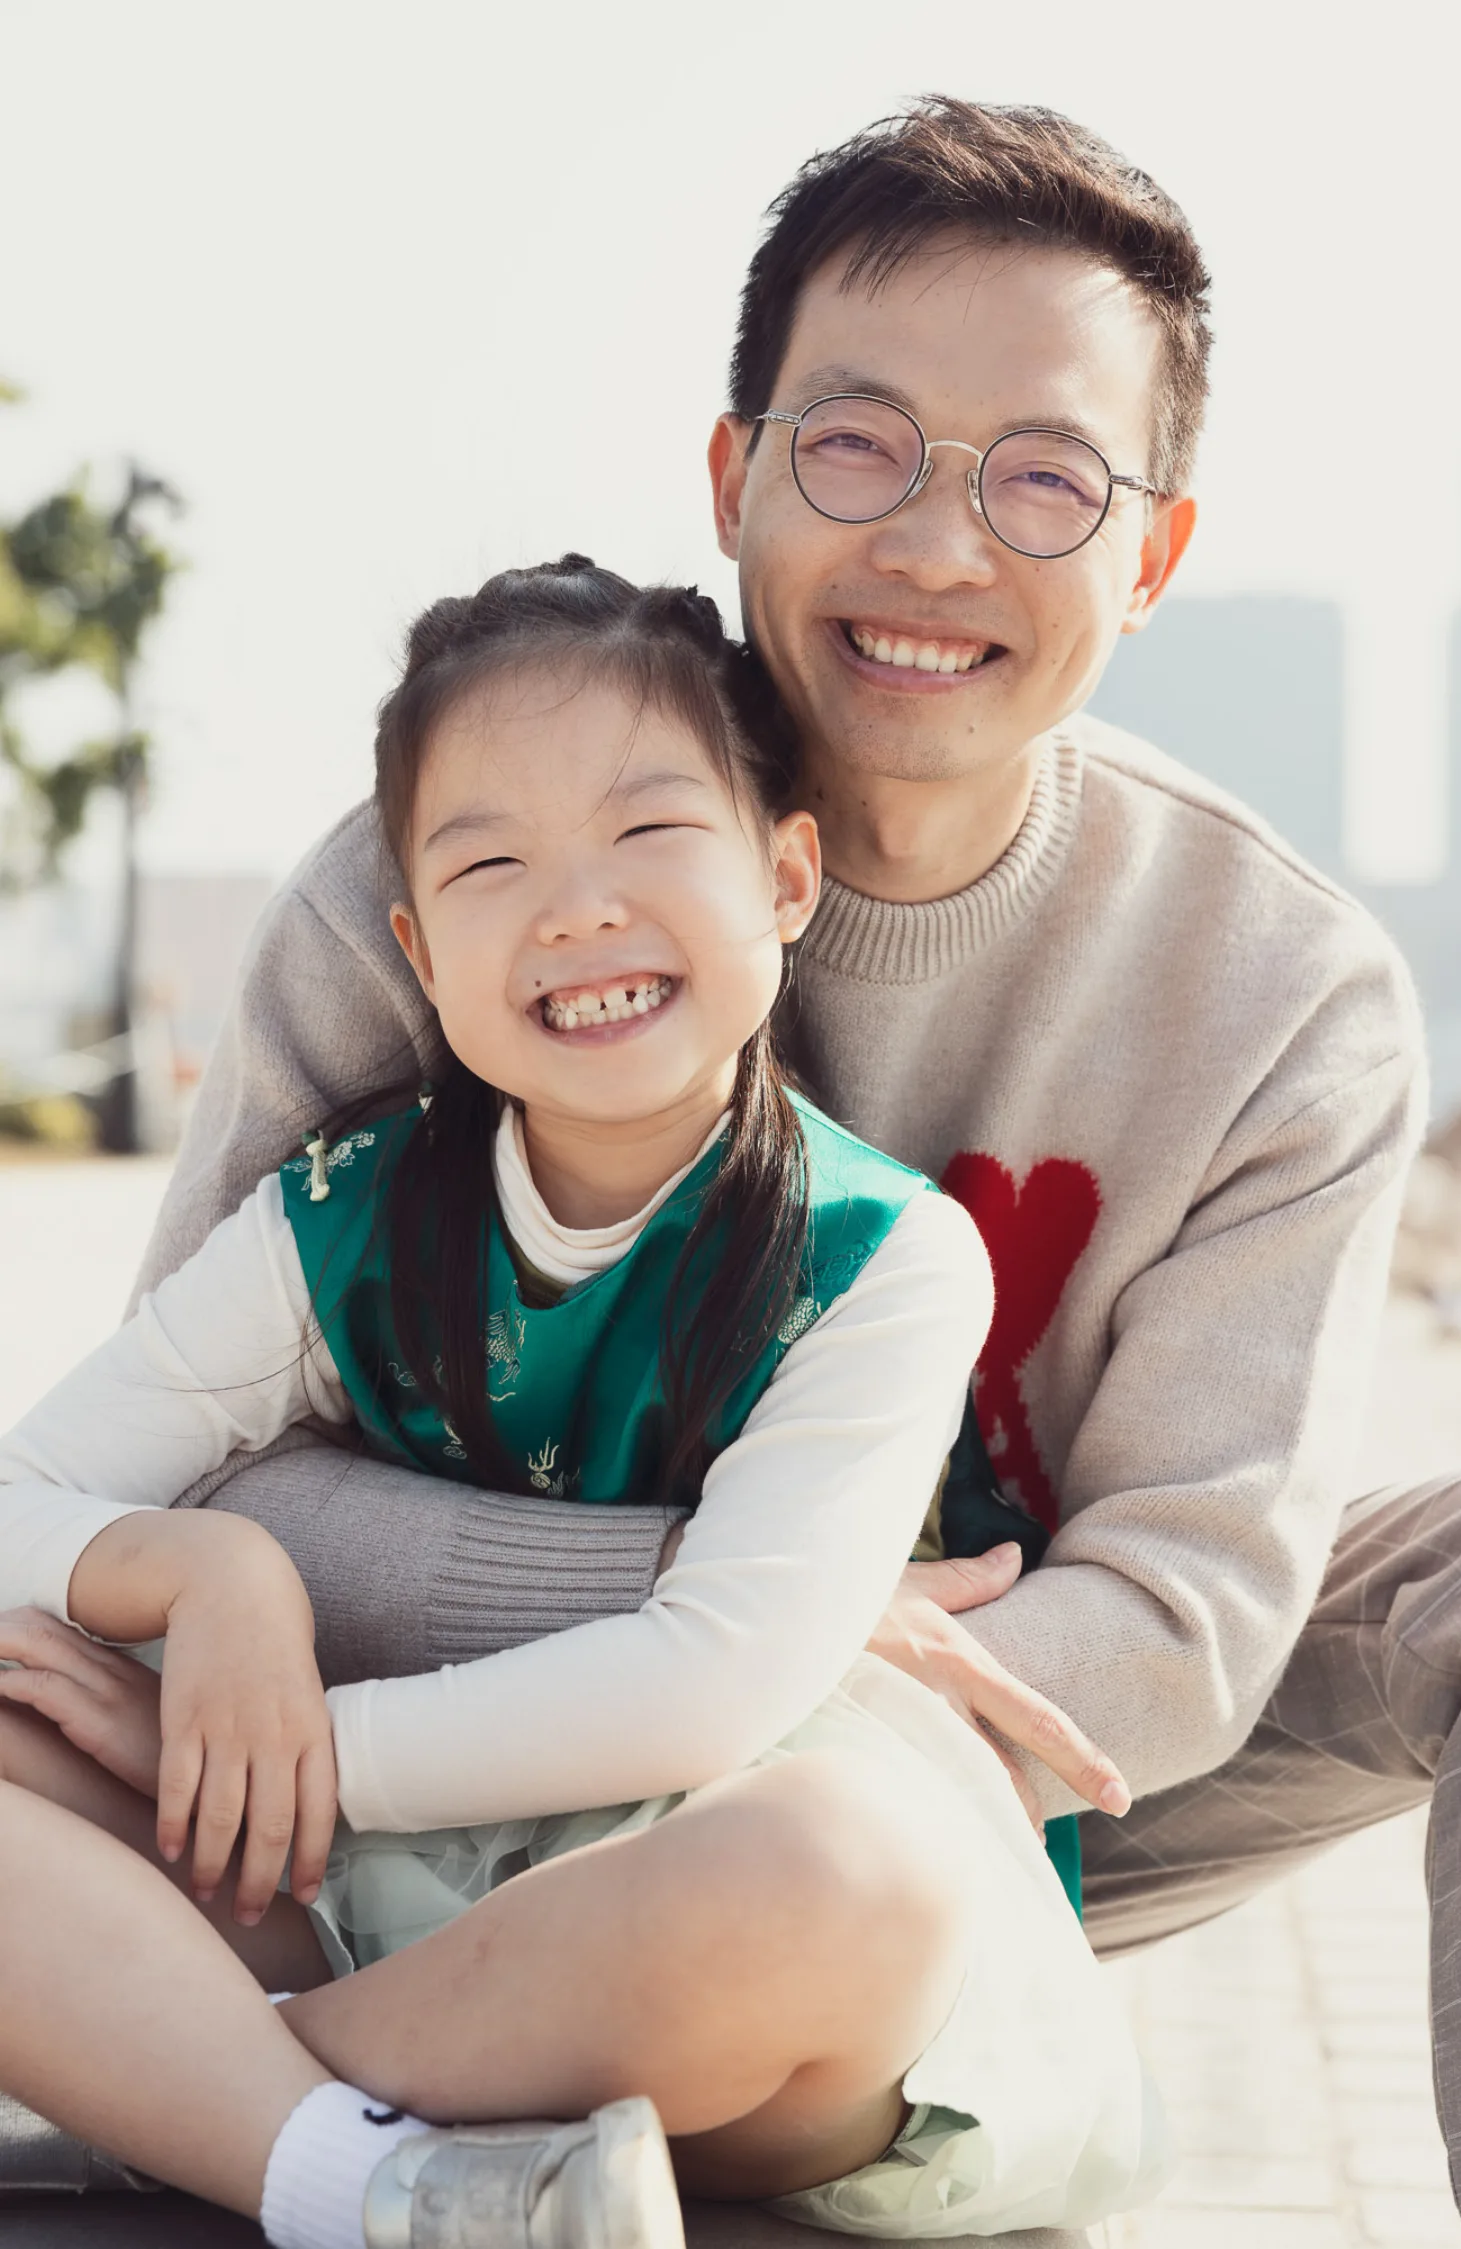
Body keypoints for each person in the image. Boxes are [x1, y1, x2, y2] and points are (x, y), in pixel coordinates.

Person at [0, 561, 1166, 2248]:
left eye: (648, 835)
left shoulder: (885, 1258)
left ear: (784, 877)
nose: (575, 910)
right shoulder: (343, 1216)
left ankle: (171, 2096)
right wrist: (202, 1581)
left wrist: (277, 1753)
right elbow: (25, 1492)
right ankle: (370, 2177)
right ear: (416, 944)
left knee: (847, 1879)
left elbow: (708, 1687)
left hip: (699, 1936)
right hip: (353, 1898)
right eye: (489, 864)